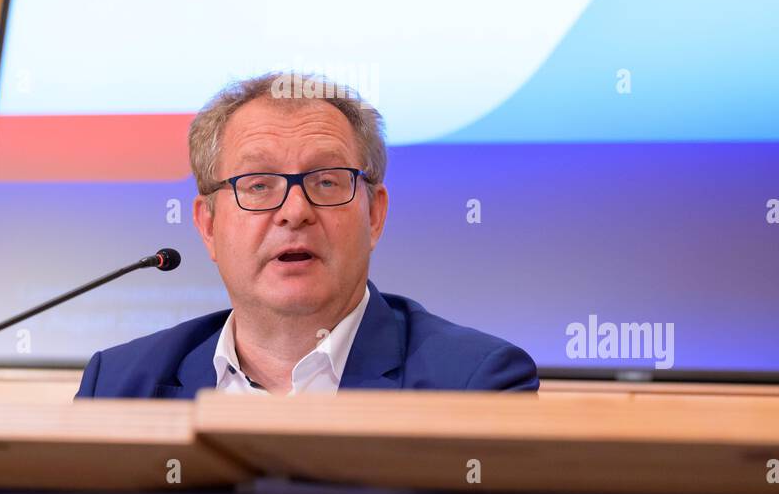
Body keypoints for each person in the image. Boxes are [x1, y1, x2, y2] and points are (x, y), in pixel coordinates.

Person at [76, 71, 539, 398]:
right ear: (209, 225)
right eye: (258, 185)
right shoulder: (118, 385)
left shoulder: (474, 384)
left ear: (374, 215)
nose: (295, 212)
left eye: (326, 181)